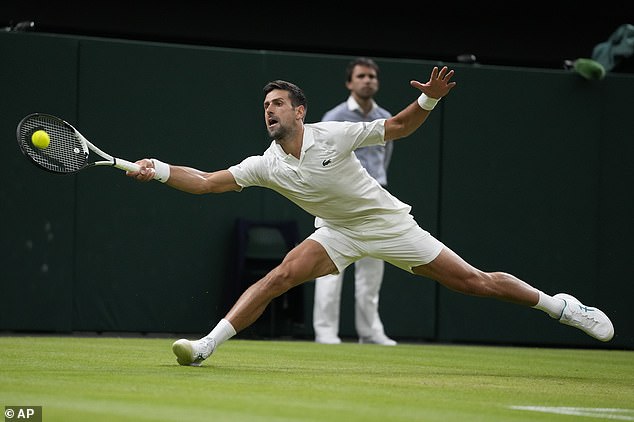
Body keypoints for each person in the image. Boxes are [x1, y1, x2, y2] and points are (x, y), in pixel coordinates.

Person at [127, 66, 614, 367]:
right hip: (337, 233)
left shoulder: (334, 135)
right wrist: (164, 170)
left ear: (300, 110)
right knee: (279, 277)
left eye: (278, 104)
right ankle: (206, 345)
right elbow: (209, 181)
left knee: (475, 282)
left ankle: (562, 308)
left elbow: (400, 126)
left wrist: (430, 98)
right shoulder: (265, 164)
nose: (269, 112)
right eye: (265, 107)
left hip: (387, 226)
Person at [313, 57, 396, 346]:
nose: (367, 80)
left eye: (372, 76)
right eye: (361, 76)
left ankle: (370, 332)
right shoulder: (333, 116)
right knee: (328, 269)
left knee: (372, 273)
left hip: (375, 202)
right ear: (350, 82)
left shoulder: (385, 117)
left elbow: (384, 158)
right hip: (338, 203)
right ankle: (325, 332)